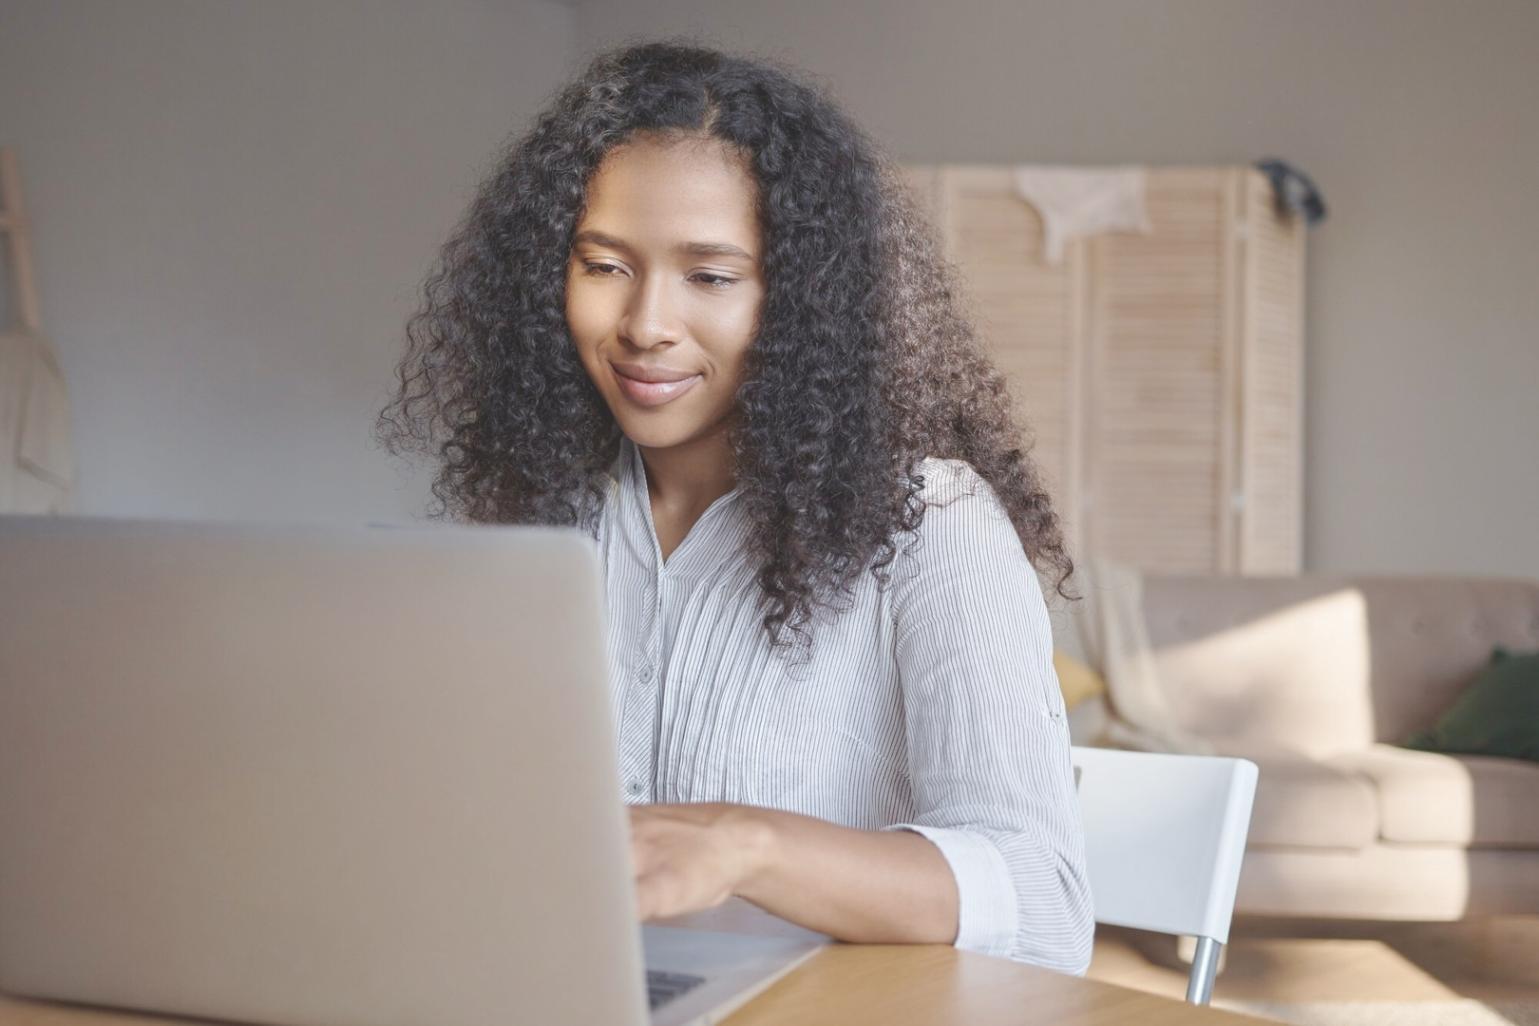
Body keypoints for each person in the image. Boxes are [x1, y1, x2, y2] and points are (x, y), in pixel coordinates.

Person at [378, 41, 1093, 974]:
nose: (644, 324)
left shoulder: (931, 522)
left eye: (710, 277)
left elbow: (1041, 901)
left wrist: (745, 844)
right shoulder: (532, 515)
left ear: (804, 302)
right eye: (603, 265)